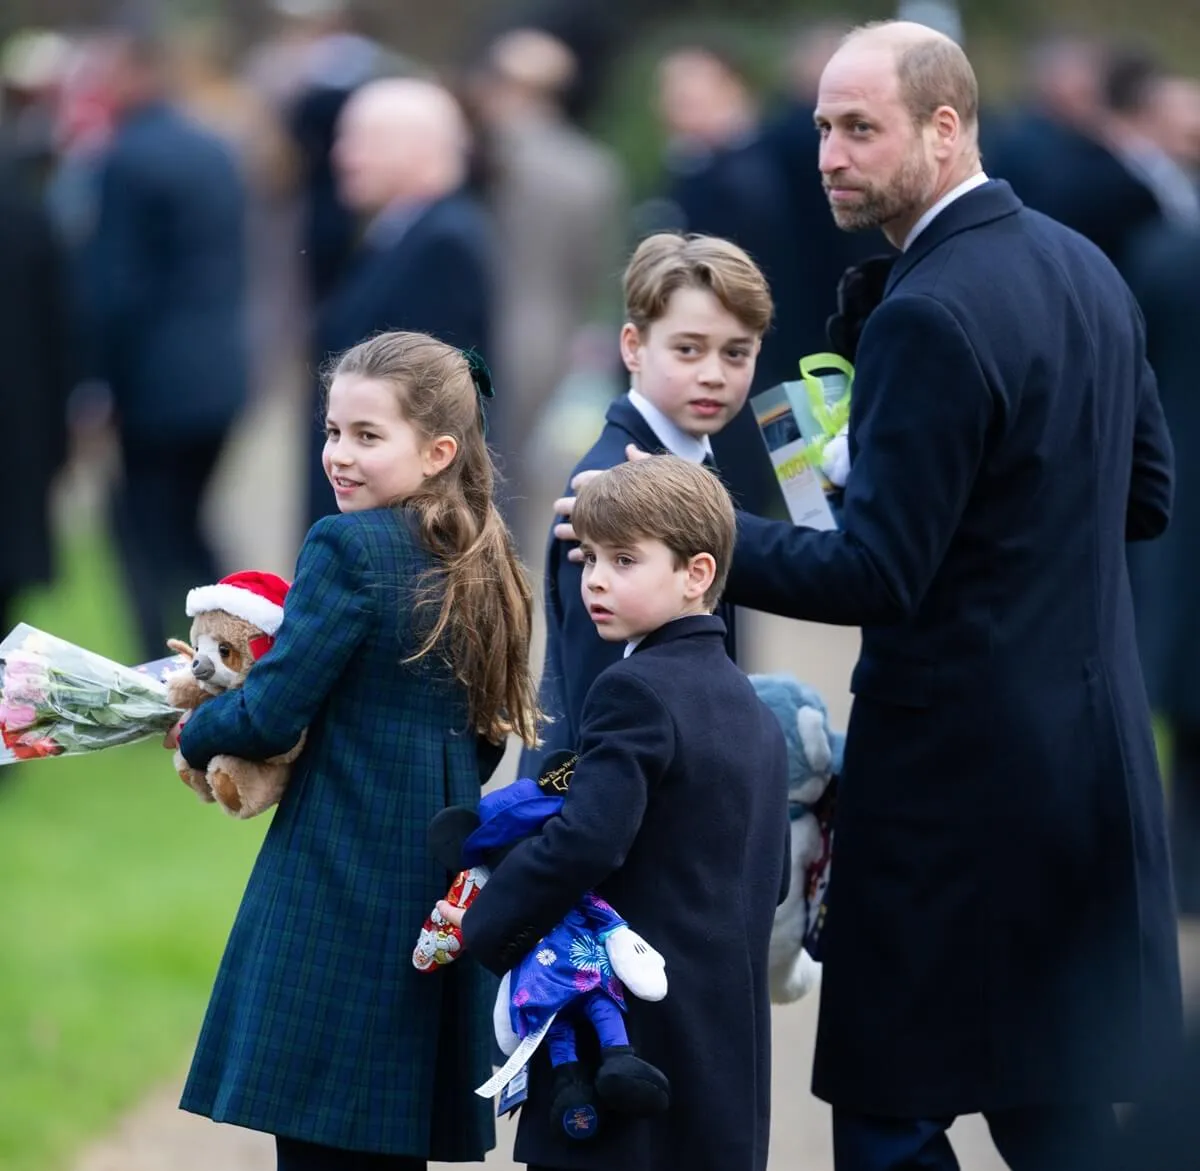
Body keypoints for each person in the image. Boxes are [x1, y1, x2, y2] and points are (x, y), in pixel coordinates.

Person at [552, 19, 1180, 1171]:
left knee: (893, 1120)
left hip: (957, 792)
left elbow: (877, 575)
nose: (830, 154)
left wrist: (681, 524)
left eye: (860, 129)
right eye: (822, 129)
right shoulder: (1082, 263)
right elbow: (1141, 496)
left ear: (944, 130)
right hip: (1092, 772)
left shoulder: (931, 313)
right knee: (1062, 1117)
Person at [169, 331, 542, 1171]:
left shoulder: (349, 548)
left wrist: (196, 731)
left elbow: (271, 711)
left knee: (319, 1144)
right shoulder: (486, 556)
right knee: (386, 1138)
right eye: (333, 431)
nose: (340, 455)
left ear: (439, 450)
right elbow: (484, 738)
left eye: (368, 436)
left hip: (336, 886)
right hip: (429, 883)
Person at [441, 455, 789, 1171]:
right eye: (590, 556)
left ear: (697, 573)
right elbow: (774, 874)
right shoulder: (751, 707)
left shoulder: (633, 689)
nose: (596, 578)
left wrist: (488, 924)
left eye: (625, 559)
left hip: (625, 1040)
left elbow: (586, 839)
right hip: (723, 1048)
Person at [520, 231, 772, 778]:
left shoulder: (689, 468)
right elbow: (603, 700)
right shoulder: (610, 486)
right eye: (688, 349)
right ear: (632, 346)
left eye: (736, 352)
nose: (713, 373)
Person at [306, 77, 493, 530]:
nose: (343, 156)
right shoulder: (403, 229)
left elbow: (428, 400)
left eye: (362, 141)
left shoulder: (444, 242)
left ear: (421, 148)